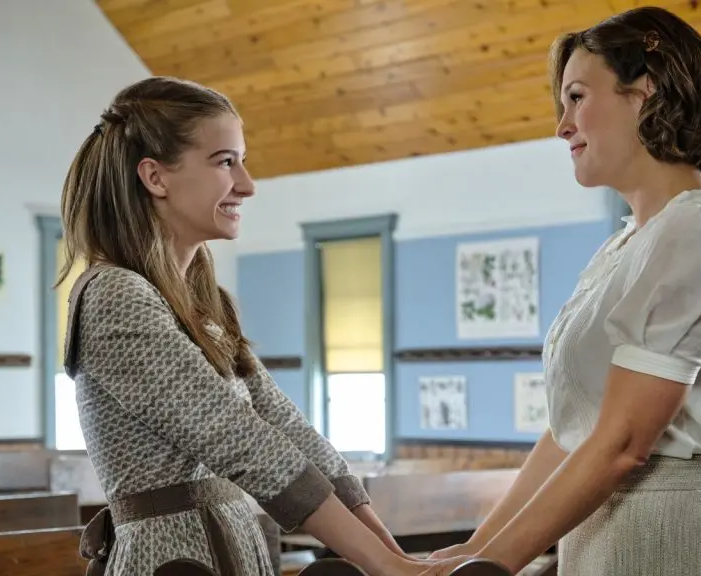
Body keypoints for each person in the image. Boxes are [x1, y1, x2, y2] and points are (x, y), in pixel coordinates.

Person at [424, 7, 701, 576]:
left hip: (667, 541)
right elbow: (571, 433)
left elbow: (624, 442)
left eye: (577, 97)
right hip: (600, 543)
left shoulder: (697, 229)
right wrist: (474, 552)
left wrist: (497, 565)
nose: (562, 125)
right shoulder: (625, 246)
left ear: (646, 92)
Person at [59, 76, 431, 576]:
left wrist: (395, 558)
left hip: (233, 544)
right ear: (155, 176)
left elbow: (284, 427)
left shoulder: (205, 302)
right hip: (172, 560)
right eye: (225, 162)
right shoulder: (115, 295)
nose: (247, 184)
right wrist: (385, 565)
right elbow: (239, 441)